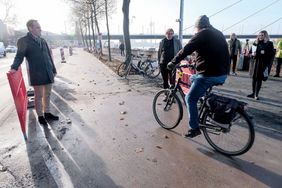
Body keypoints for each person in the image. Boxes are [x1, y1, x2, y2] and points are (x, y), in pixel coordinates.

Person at [167, 15, 230, 138]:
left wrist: (173, 62)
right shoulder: (218, 33)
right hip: (222, 73)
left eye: (195, 28)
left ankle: (194, 128)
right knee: (193, 78)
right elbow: (211, 53)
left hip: (210, 74)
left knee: (190, 98)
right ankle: (202, 101)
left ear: (198, 27)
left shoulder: (202, 34)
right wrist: (196, 64)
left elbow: (186, 49)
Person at [9, 19, 59, 126]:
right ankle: (40, 116)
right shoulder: (23, 41)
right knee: (39, 96)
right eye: (37, 27)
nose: (40, 29)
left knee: (48, 94)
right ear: (30, 28)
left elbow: (49, 57)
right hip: (37, 74)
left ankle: (47, 113)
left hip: (48, 71)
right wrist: (14, 67)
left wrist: (53, 69)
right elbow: (19, 56)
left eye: (39, 27)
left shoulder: (43, 40)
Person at [247, 30, 274, 100]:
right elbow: (251, 52)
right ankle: (253, 93)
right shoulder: (255, 43)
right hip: (255, 63)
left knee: (259, 79)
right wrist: (252, 54)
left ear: (265, 36)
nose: (261, 37)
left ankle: (256, 94)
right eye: (260, 35)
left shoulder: (269, 43)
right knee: (254, 78)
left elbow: (271, 54)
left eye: (262, 35)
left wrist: (264, 52)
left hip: (262, 64)